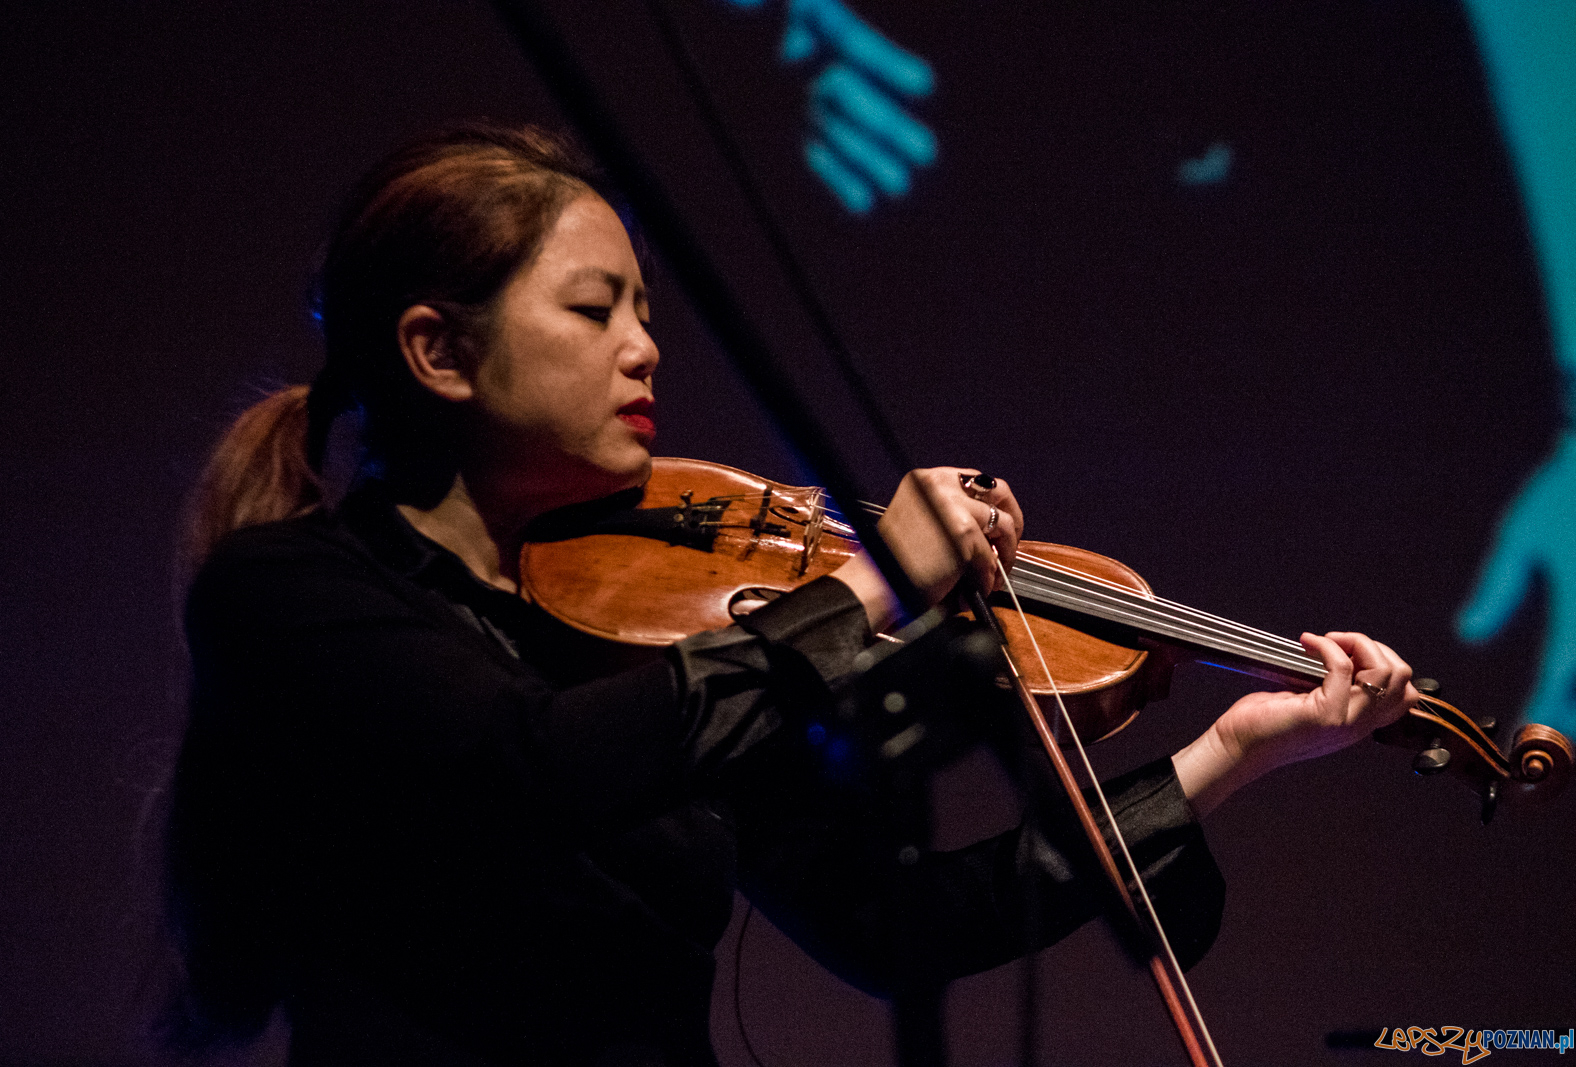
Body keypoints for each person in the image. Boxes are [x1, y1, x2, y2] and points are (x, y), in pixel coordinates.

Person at [166, 123, 1421, 1067]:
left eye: (646, 310)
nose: (644, 346)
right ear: (438, 349)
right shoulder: (293, 594)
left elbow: (895, 926)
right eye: (593, 309)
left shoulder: (640, 630)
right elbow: (530, 766)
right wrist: (870, 587)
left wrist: (1231, 753)